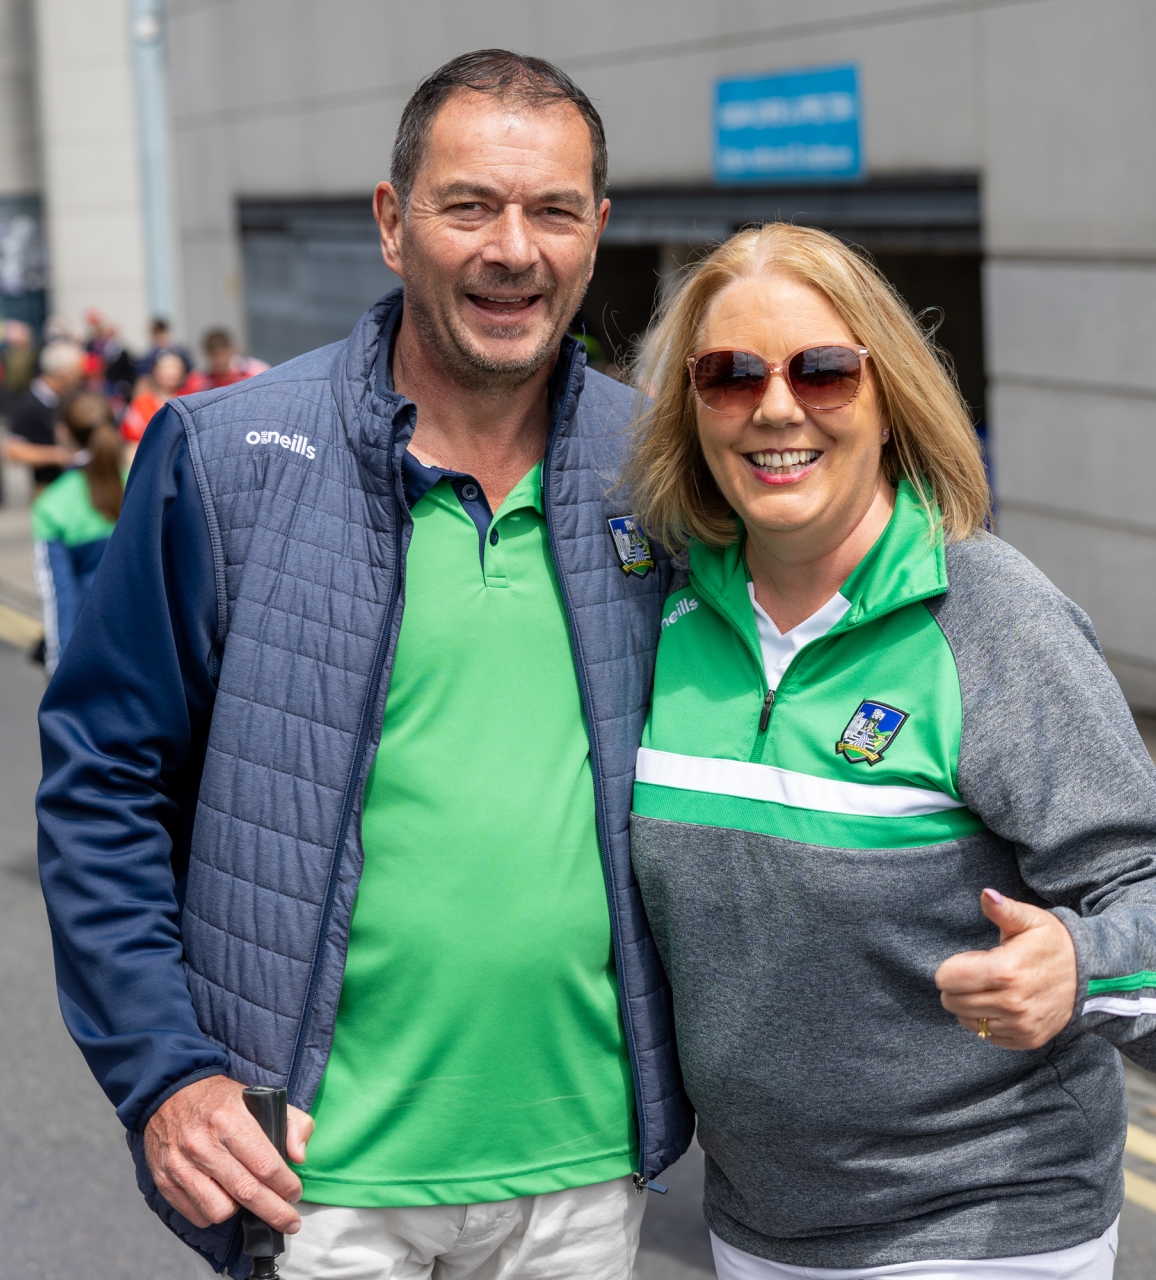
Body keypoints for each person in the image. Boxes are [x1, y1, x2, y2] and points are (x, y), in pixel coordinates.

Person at [36, 49, 689, 1277]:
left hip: (588, 1175)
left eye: (553, 209)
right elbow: (102, 784)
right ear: (393, 224)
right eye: (469, 205)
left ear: (597, 233)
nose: (514, 248)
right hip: (318, 1187)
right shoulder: (221, 456)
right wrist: (164, 1070)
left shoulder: (658, 462)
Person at [621, 224, 1156, 1280]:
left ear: (888, 396)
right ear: (690, 409)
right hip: (759, 1224)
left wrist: (1076, 964)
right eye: (728, 376)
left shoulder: (990, 614)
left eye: (822, 370)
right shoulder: (662, 613)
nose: (776, 407)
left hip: (985, 1224)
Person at [31, 393, 121, 674]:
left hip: (86, 656)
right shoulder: (143, 483)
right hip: (143, 650)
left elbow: (59, 595)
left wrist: (57, 667)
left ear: (63, 433)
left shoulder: (51, 505)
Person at [3, 340, 83, 494]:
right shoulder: (28, 403)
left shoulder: (64, 398)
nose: (79, 379)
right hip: (48, 485)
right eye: (76, 374)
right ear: (62, 376)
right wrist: (57, 455)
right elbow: (13, 450)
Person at [119, 349, 185, 445]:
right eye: (165, 368)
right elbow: (130, 438)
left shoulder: (188, 400)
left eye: (175, 367)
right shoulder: (141, 403)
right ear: (155, 371)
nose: (170, 372)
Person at [182, 328, 269, 394]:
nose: (219, 360)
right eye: (213, 356)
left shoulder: (257, 372)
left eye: (221, 354)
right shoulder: (197, 380)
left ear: (231, 350)